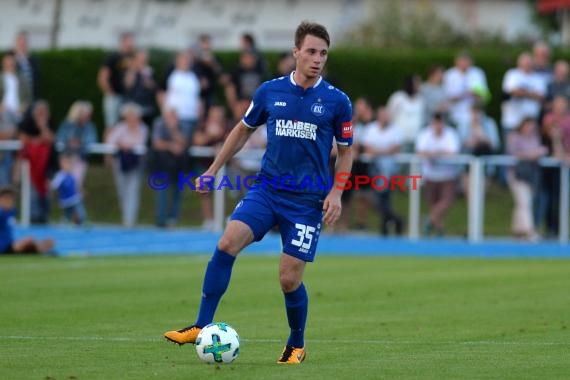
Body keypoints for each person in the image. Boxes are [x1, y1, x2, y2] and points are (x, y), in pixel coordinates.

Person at [163, 21, 353, 365]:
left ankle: (297, 343)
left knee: (288, 279)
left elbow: (347, 150)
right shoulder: (270, 92)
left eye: (323, 53)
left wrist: (337, 193)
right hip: (266, 190)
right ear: (295, 52)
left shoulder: (337, 101)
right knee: (226, 243)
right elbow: (242, 131)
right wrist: (212, 170)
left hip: (307, 202)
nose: (317, 59)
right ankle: (201, 324)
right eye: (311, 51)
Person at [415, 112, 461, 237]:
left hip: (447, 176)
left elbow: (453, 153)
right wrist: (438, 153)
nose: (438, 125)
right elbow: (420, 152)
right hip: (430, 175)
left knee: (446, 201)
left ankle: (429, 220)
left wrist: (434, 153)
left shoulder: (450, 134)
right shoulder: (425, 134)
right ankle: (438, 228)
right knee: (433, 204)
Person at [361, 106, 404, 235]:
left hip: (390, 171)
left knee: (386, 199)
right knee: (375, 200)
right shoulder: (371, 129)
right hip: (374, 170)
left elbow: (395, 149)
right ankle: (396, 220)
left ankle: (385, 228)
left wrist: (378, 151)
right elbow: (368, 149)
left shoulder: (395, 130)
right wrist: (384, 151)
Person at [106, 103, 148, 228]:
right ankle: (126, 216)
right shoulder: (120, 128)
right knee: (122, 190)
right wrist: (121, 145)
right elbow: (110, 141)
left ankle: (129, 221)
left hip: (135, 163)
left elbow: (140, 142)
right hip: (121, 162)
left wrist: (127, 144)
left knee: (133, 190)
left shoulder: (142, 128)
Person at [506, 117, 547, 241]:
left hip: (530, 175)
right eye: (528, 125)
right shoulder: (513, 136)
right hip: (517, 174)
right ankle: (530, 231)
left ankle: (517, 230)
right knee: (524, 202)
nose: (530, 128)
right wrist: (531, 154)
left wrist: (532, 153)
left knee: (522, 202)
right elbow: (513, 153)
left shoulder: (534, 138)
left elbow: (543, 150)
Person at [17, 100, 55, 224]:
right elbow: (25, 140)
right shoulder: (26, 122)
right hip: (30, 162)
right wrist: (39, 140)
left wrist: (43, 126)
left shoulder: (49, 122)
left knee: (46, 190)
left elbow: (49, 139)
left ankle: (44, 216)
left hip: (47, 163)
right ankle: (33, 217)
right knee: (32, 191)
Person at [150, 108, 188, 228]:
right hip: (163, 165)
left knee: (178, 192)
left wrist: (173, 130)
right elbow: (156, 143)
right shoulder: (159, 124)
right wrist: (170, 146)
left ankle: (173, 218)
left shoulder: (181, 125)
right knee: (162, 192)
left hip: (179, 165)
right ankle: (161, 219)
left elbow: (184, 143)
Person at [97, 32, 136, 135]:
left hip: (125, 96)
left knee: (123, 125)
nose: (131, 44)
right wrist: (110, 93)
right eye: (129, 41)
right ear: (122, 42)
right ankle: (108, 150)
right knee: (111, 125)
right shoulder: (113, 57)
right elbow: (103, 77)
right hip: (114, 96)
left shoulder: (132, 58)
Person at [55, 101, 98, 189]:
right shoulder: (67, 124)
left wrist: (79, 143)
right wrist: (69, 142)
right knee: (66, 185)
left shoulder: (89, 126)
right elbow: (60, 139)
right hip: (66, 157)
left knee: (76, 185)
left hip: (80, 158)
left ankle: (75, 200)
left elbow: (91, 141)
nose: (88, 117)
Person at [0, 187, 54, 255]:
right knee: (29, 241)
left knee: (48, 241)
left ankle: (43, 251)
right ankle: (44, 252)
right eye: (6, 198)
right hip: (4, 247)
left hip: (10, 244)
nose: (10, 201)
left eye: (12, 198)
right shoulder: (1, 212)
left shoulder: (10, 213)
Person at [50, 154, 87, 226]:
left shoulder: (72, 175)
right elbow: (54, 185)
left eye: (69, 163)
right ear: (61, 165)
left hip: (75, 198)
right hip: (66, 200)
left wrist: (81, 192)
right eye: (66, 163)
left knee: (81, 212)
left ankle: (81, 223)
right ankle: (64, 223)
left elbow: (75, 186)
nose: (68, 165)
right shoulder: (60, 175)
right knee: (68, 214)